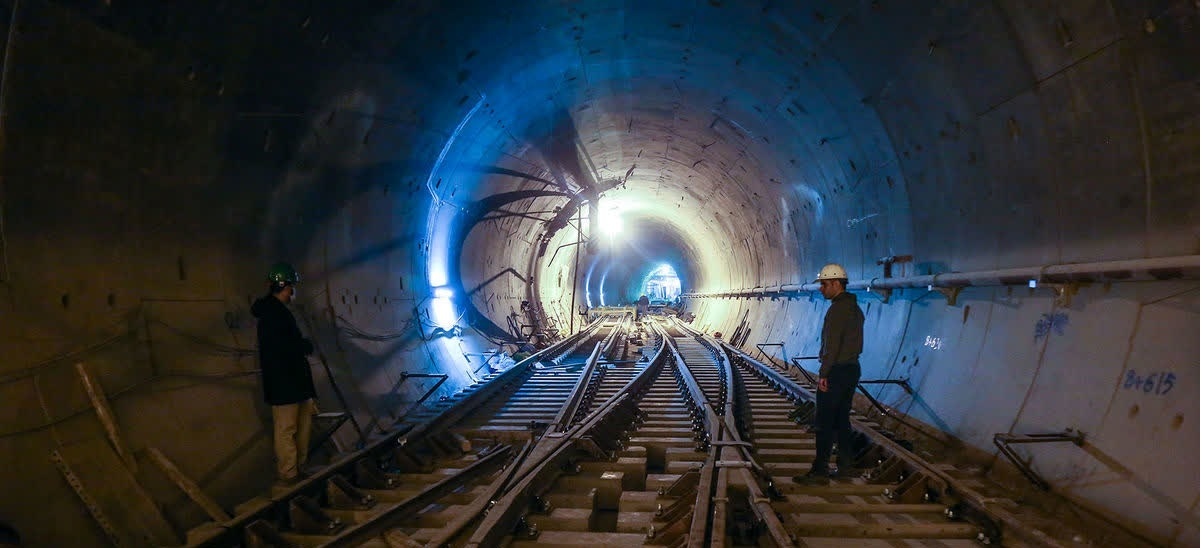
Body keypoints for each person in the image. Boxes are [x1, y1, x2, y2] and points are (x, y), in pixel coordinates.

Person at [794, 263, 864, 484]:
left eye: (824, 284)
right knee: (842, 419)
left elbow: (832, 345)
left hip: (836, 371)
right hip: (851, 369)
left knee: (824, 421)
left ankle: (820, 469)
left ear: (836, 283)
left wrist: (824, 373)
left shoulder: (837, 309)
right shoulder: (854, 308)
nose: (821, 289)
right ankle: (845, 466)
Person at [251, 262, 317, 485]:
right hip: (284, 384)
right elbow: (282, 348)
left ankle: (298, 469)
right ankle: (289, 474)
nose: (293, 292)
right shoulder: (271, 315)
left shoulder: (279, 313)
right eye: (291, 287)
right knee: (287, 429)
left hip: (296, 382)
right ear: (284, 286)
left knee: (301, 428)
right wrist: (303, 346)